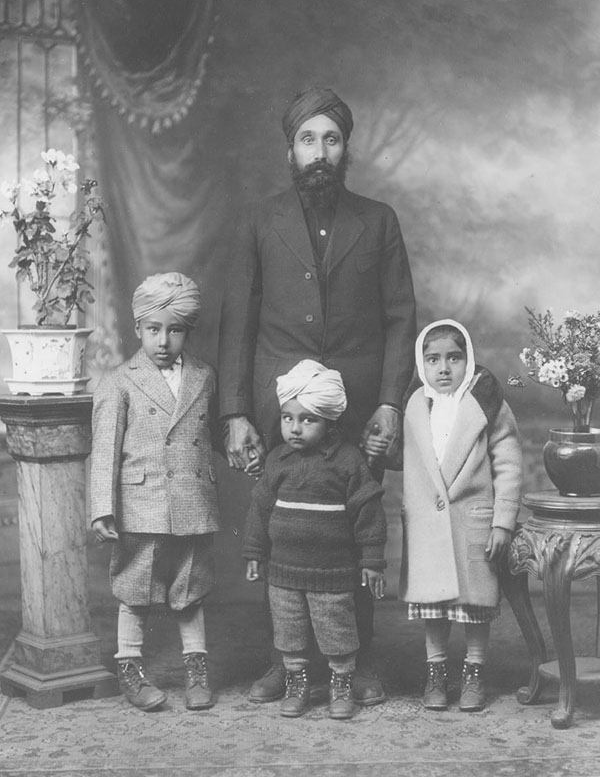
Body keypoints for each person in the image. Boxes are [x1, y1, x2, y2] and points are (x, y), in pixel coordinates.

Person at [219, 86, 416, 704]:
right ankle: (287, 662)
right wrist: (235, 412)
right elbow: (238, 320)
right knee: (284, 531)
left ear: (345, 148)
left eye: (331, 139)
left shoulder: (377, 219)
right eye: (308, 139)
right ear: (290, 151)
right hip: (283, 409)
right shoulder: (261, 219)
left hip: (359, 407)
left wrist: (390, 402)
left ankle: (360, 659)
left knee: (354, 530)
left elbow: (401, 318)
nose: (320, 152)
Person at [366, 319, 523, 711]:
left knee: (475, 606)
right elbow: (404, 457)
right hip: (428, 526)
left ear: (468, 360)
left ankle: (474, 671)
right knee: (434, 605)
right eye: (433, 359)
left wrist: (502, 521)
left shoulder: (486, 404)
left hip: (472, 520)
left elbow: (508, 463)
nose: (444, 368)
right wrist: (381, 450)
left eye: (454, 358)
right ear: (422, 365)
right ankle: (435, 672)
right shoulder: (414, 405)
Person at [90, 272, 220, 712]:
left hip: (193, 499)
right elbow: (105, 451)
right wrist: (102, 508)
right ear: (137, 328)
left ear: (188, 330)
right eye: (153, 329)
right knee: (136, 587)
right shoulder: (119, 381)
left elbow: (210, 436)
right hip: (141, 503)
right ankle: (130, 670)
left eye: (175, 330)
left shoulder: (204, 375)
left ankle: (197, 671)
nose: (163, 341)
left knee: (191, 586)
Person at [243, 360, 386, 720]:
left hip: (332, 573)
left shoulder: (348, 461)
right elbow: (260, 508)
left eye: (308, 420)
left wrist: (371, 560)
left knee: (337, 631)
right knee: (289, 631)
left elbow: (368, 512)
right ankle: (297, 682)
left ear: (330, 422)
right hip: (284, 572)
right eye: (288, 418)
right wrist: (255, 552)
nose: (295, 428)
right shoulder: (277, 460)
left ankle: (341, 683)